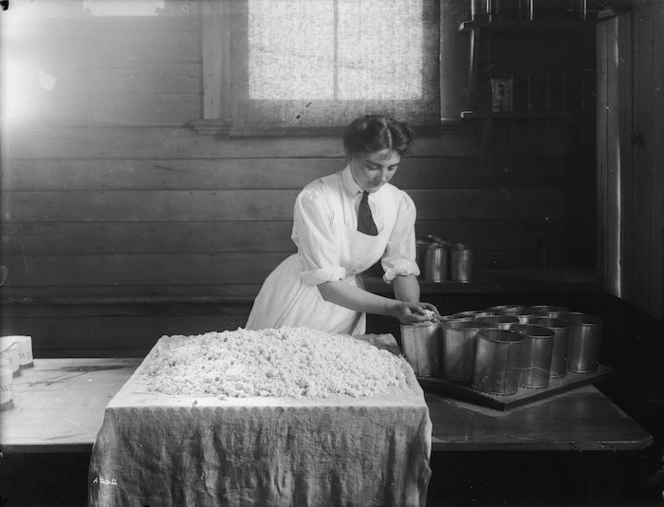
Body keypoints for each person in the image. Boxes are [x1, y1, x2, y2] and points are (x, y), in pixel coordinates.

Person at [246, 114, 439, 335]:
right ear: (350, 154)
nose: (382, 177)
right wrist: (395, 308)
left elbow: (402, 267)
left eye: (392, 168)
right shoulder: (316, 198)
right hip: (303, 296)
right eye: (373, 166)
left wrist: (411, 307)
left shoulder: (399, 203)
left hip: (351, 302)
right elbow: (327, 286)